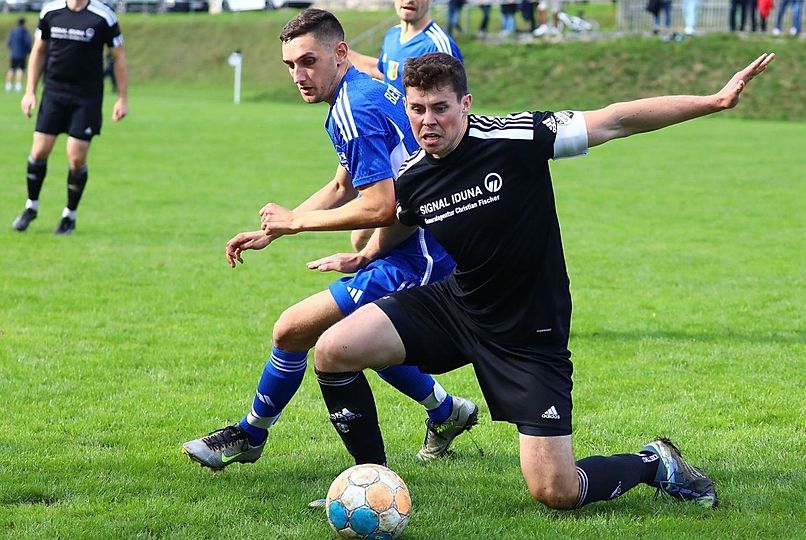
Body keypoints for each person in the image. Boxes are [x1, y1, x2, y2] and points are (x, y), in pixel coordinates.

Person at [307, 50, 775, 511]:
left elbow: (616, 120)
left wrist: (713, 101)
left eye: (440, 108)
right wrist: (366, 254)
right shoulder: (413, 175)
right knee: (333, 350)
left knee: (556, 491)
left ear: (465, 104)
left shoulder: (517, 137)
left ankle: (655, 463)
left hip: (529, 331)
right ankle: (373, 483)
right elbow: (402, 219)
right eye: (417, 109)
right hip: (460, 307)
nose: (427, 121)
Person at [181, 9, 478, 471]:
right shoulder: (363, 90)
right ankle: (446, 411)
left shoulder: (353, 108)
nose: (299, 75)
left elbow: (380, 206)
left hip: (416, 255)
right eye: (290, 65)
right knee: (358, 340)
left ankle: (254, 435)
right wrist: (273, 230)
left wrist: (298, 224)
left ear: (340, 53)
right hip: (414, 246)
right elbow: (343, 185)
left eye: (308, 61)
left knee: (296, 331)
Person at [346, 0, 462, 251]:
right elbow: (383, 70)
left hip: (423, 154)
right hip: (394, 147)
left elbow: (456, 104)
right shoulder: (392, 36)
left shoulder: (437, 44)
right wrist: (333, 50)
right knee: (363, 238)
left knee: (377, 237)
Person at [11, 0, 127, 235]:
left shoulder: (103, 16)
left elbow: (119, 57)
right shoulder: (50, 12)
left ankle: (69, 216)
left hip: (86, 97)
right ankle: (31, 206)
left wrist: (122, 98)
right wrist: (30, 91)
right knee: (39, 150)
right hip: (54, 92)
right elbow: (39, 51)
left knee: (76, 157)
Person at [5, 17, 32, 93]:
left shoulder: (13, 31)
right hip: (21, 54)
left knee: (11, 68)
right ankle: (18, 85)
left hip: (14, 53)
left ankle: (8, 85)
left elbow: (9, 41)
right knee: (20, 69)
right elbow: (27, 43)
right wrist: (29, 51)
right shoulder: (24, 32)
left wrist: (12, 49)